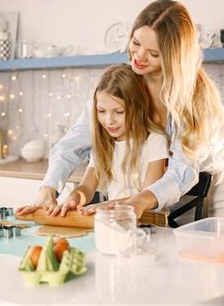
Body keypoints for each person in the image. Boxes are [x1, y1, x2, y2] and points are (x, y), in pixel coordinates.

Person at [16, 0, 224, 220]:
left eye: (153, 53)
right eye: (136, 43)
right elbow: (71, 144)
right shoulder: (125, 85)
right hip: (165, 200)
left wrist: (138, 200)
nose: (138, 57)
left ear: (174, 57)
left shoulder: (194, 97)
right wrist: (49, 188)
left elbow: (182, 171)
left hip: (217, 194)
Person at [45, 64, 169, 217]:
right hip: (114, 223)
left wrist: (104, 205)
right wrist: (74, 198)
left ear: (138, 108)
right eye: (101, 111)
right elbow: (87, 188)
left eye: (118, 112)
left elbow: (147, 196)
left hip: (149, 227)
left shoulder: (155, 141)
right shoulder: (105, 143)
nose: (109, 120)